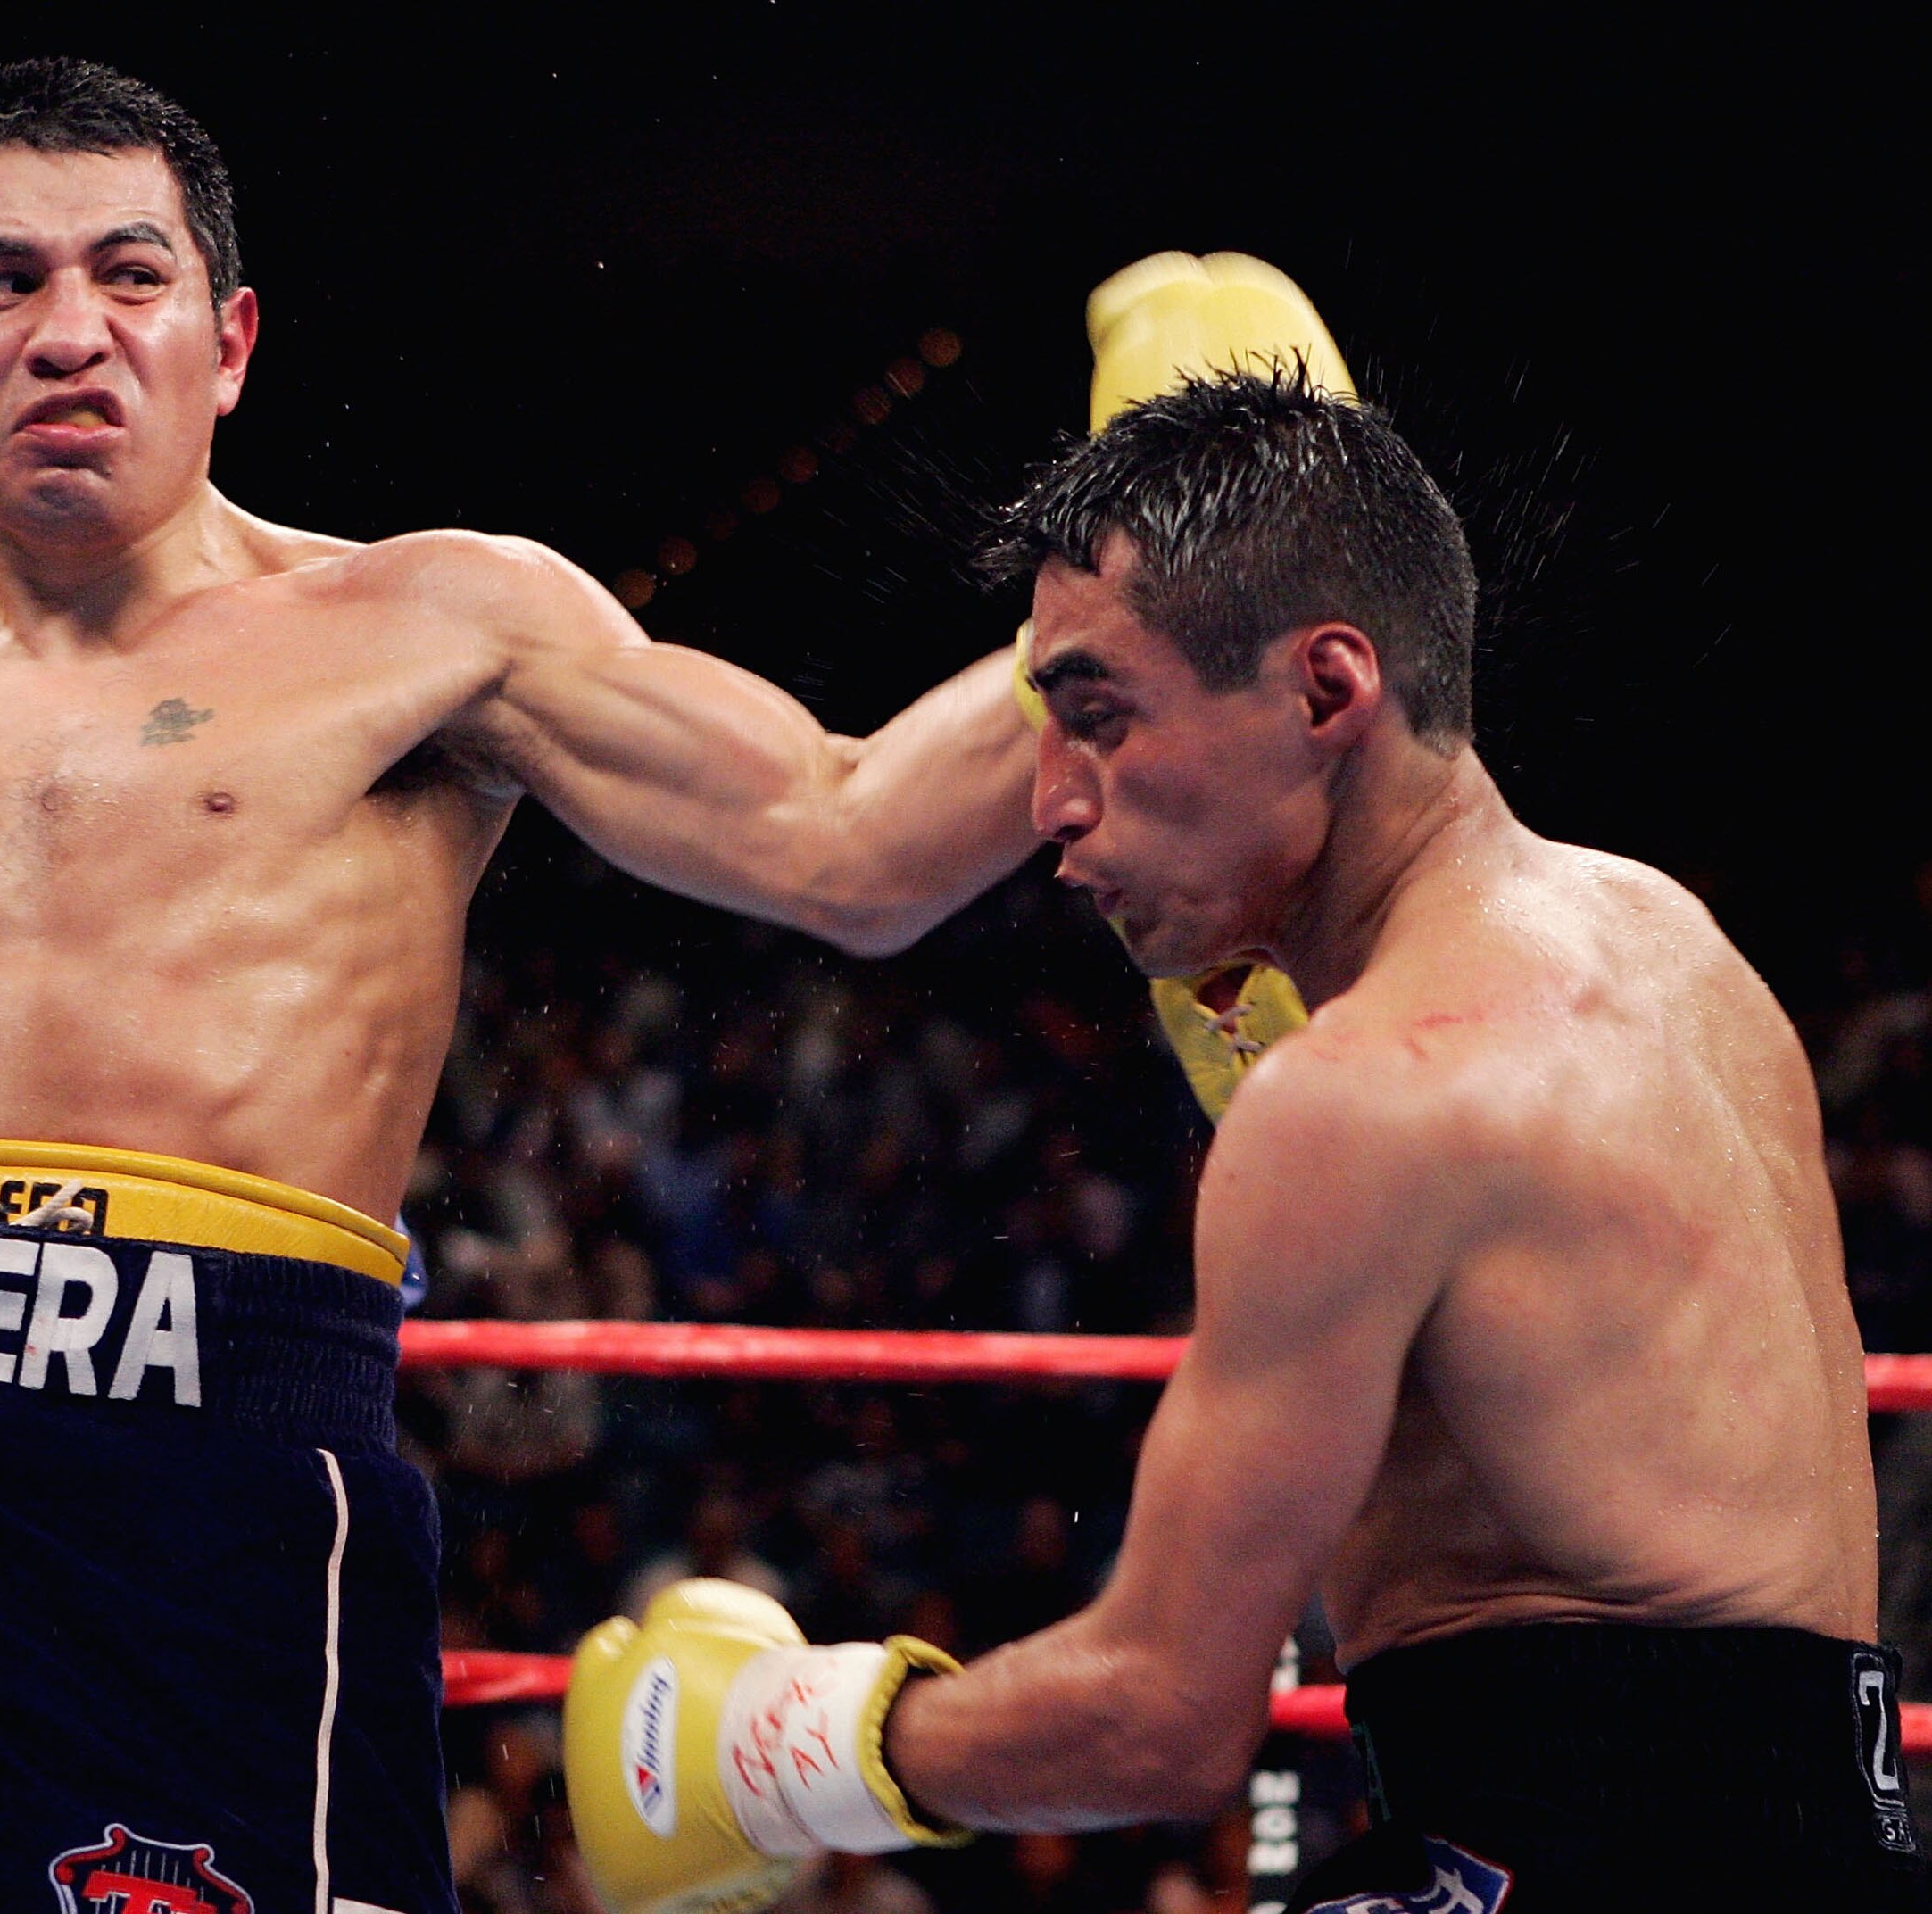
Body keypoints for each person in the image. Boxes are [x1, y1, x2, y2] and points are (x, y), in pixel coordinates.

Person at [0, 57, 1048, 1913]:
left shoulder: (438, 628)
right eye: (2, 281)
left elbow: (854, 843)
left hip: (198, 1491)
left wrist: (1165, 593)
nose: (72, 333)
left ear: (228, 340)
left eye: (129, 277)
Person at [563, 374, 1924, 1909]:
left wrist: (779, 1747)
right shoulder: (1676, 949)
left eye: (1100, 718)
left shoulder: (1361, 1098)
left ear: (1327, 692)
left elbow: (1161, 1716)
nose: (1051, 805)